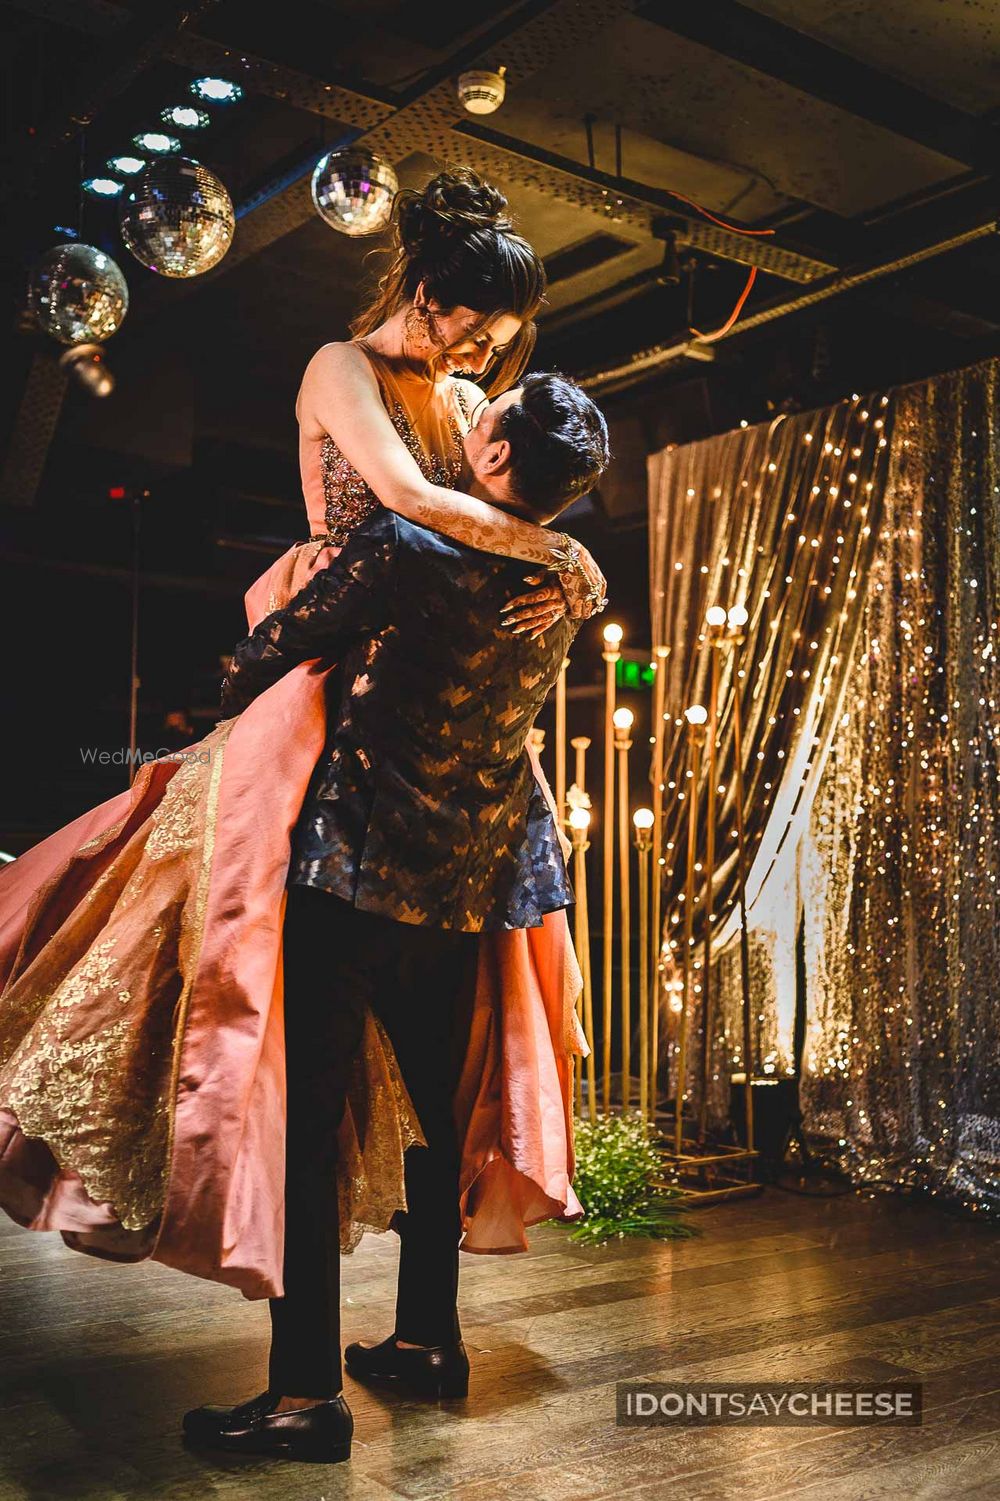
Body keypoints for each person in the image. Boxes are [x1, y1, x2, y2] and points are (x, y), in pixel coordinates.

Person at [0, 169, 603, 1309]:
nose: (477, 352)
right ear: (425, 290)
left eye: (497, 337)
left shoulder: (469, 398)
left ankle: (364, 1348)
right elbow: (403, 497)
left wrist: (567, 566)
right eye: (470, 322)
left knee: (437, 1039)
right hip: (336, 653)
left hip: (430, 698)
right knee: (216, 923)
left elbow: (510, 513)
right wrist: (568, 555)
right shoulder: (341, 367)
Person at [182, 372, 611, 1463]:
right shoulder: (556, 586)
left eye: (489, 415)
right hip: (465, 891)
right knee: (433, 1122)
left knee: (308, 1129)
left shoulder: (407, 549)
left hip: (346, 874)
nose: (471, 415)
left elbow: (265, 652)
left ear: (500, 456)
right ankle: (427, 1340)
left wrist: (223, 688)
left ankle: (301, 1397)